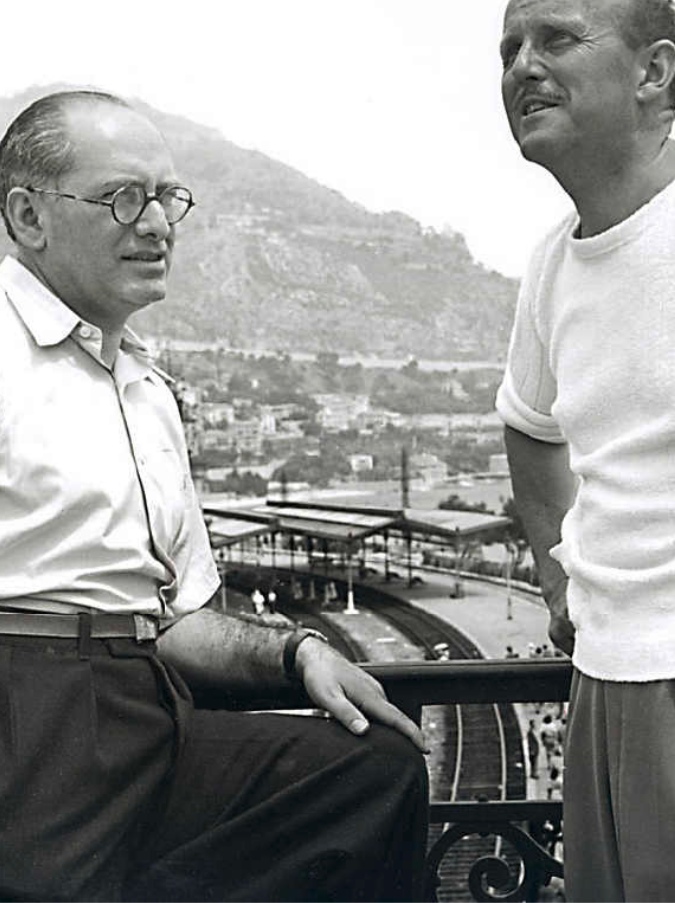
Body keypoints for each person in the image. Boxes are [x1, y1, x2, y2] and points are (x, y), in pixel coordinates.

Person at [0, 89, 429, 902]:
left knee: (370, 773)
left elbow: (175, 619)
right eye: (124, 197)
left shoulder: (146, 390)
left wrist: (294, 651)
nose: (158, 224)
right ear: (28, 217)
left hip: (142, 712)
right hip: (29, 713)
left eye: (167, 198)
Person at [496, 0, 675, 901]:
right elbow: (527, 426)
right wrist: (556, 573)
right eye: (509, 51)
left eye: (556, 40)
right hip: (606, 680)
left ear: (655, 73)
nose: (522, 67)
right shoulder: (551, 266)